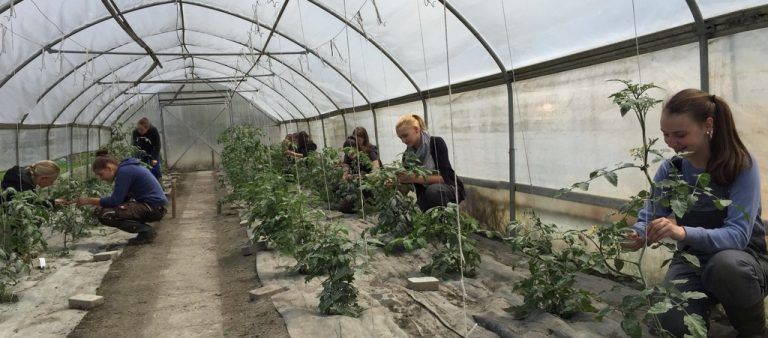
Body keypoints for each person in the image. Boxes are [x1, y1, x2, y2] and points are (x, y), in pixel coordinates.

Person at [624, 89, 767, 337]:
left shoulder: (741, 165)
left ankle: (753, 331)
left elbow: (737, 236)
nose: (671, 142)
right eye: (665, 134)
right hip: (692, 261)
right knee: (669, 326)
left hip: (743, 260)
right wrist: (638, 233)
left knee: (726, 267)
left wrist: (681, 232)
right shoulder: (673, 168)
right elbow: (651, 213)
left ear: (707, 126)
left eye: (680, 135)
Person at [76, 155, 167, 245]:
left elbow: (114, 201)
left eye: (101, 174)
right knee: (108, 210)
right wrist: (102, 203)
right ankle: (145, 231)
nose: (101, 178)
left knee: (106, 214)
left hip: (153, 208)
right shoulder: (126, 169)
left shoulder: (124, 172)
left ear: (109, 168)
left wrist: (89, 200)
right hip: (155, 207)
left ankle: (147, 232)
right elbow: (122, 199)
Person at [395, 114, 465, 211]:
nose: (403, 140)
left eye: (405, 135)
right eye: (400, 138)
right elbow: (408, 181)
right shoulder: (407, 156)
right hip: (426, 193)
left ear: (416, 129)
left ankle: (446, 218)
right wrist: (395, 181)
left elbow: (444, 178)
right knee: (414, 214)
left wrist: (414, 178)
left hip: (449, 188)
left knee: (433, 191)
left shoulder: (436, 143)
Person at [338, 128, 382, 213]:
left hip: (369, 182)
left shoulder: (370, 150)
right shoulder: (350, 149)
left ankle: (370, 202)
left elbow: (376, 170)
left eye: (360, 138)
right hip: (357, 182)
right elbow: (346, 168)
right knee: (344, 208)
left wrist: (362, 176)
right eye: (356, 137)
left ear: (365, 138)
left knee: (370, 206)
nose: (358, 140)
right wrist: (345, 177)